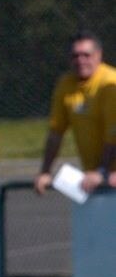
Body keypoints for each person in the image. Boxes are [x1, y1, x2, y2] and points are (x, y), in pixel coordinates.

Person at [34, 31, 116, 195]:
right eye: (75, 56)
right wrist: (45, 172)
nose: (80, 60)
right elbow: (56, 133)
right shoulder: (65, 85)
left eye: (86, 55)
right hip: (93, 177)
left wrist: (102, 171)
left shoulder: (110, 84)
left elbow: (113, 134)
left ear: (99, 55)